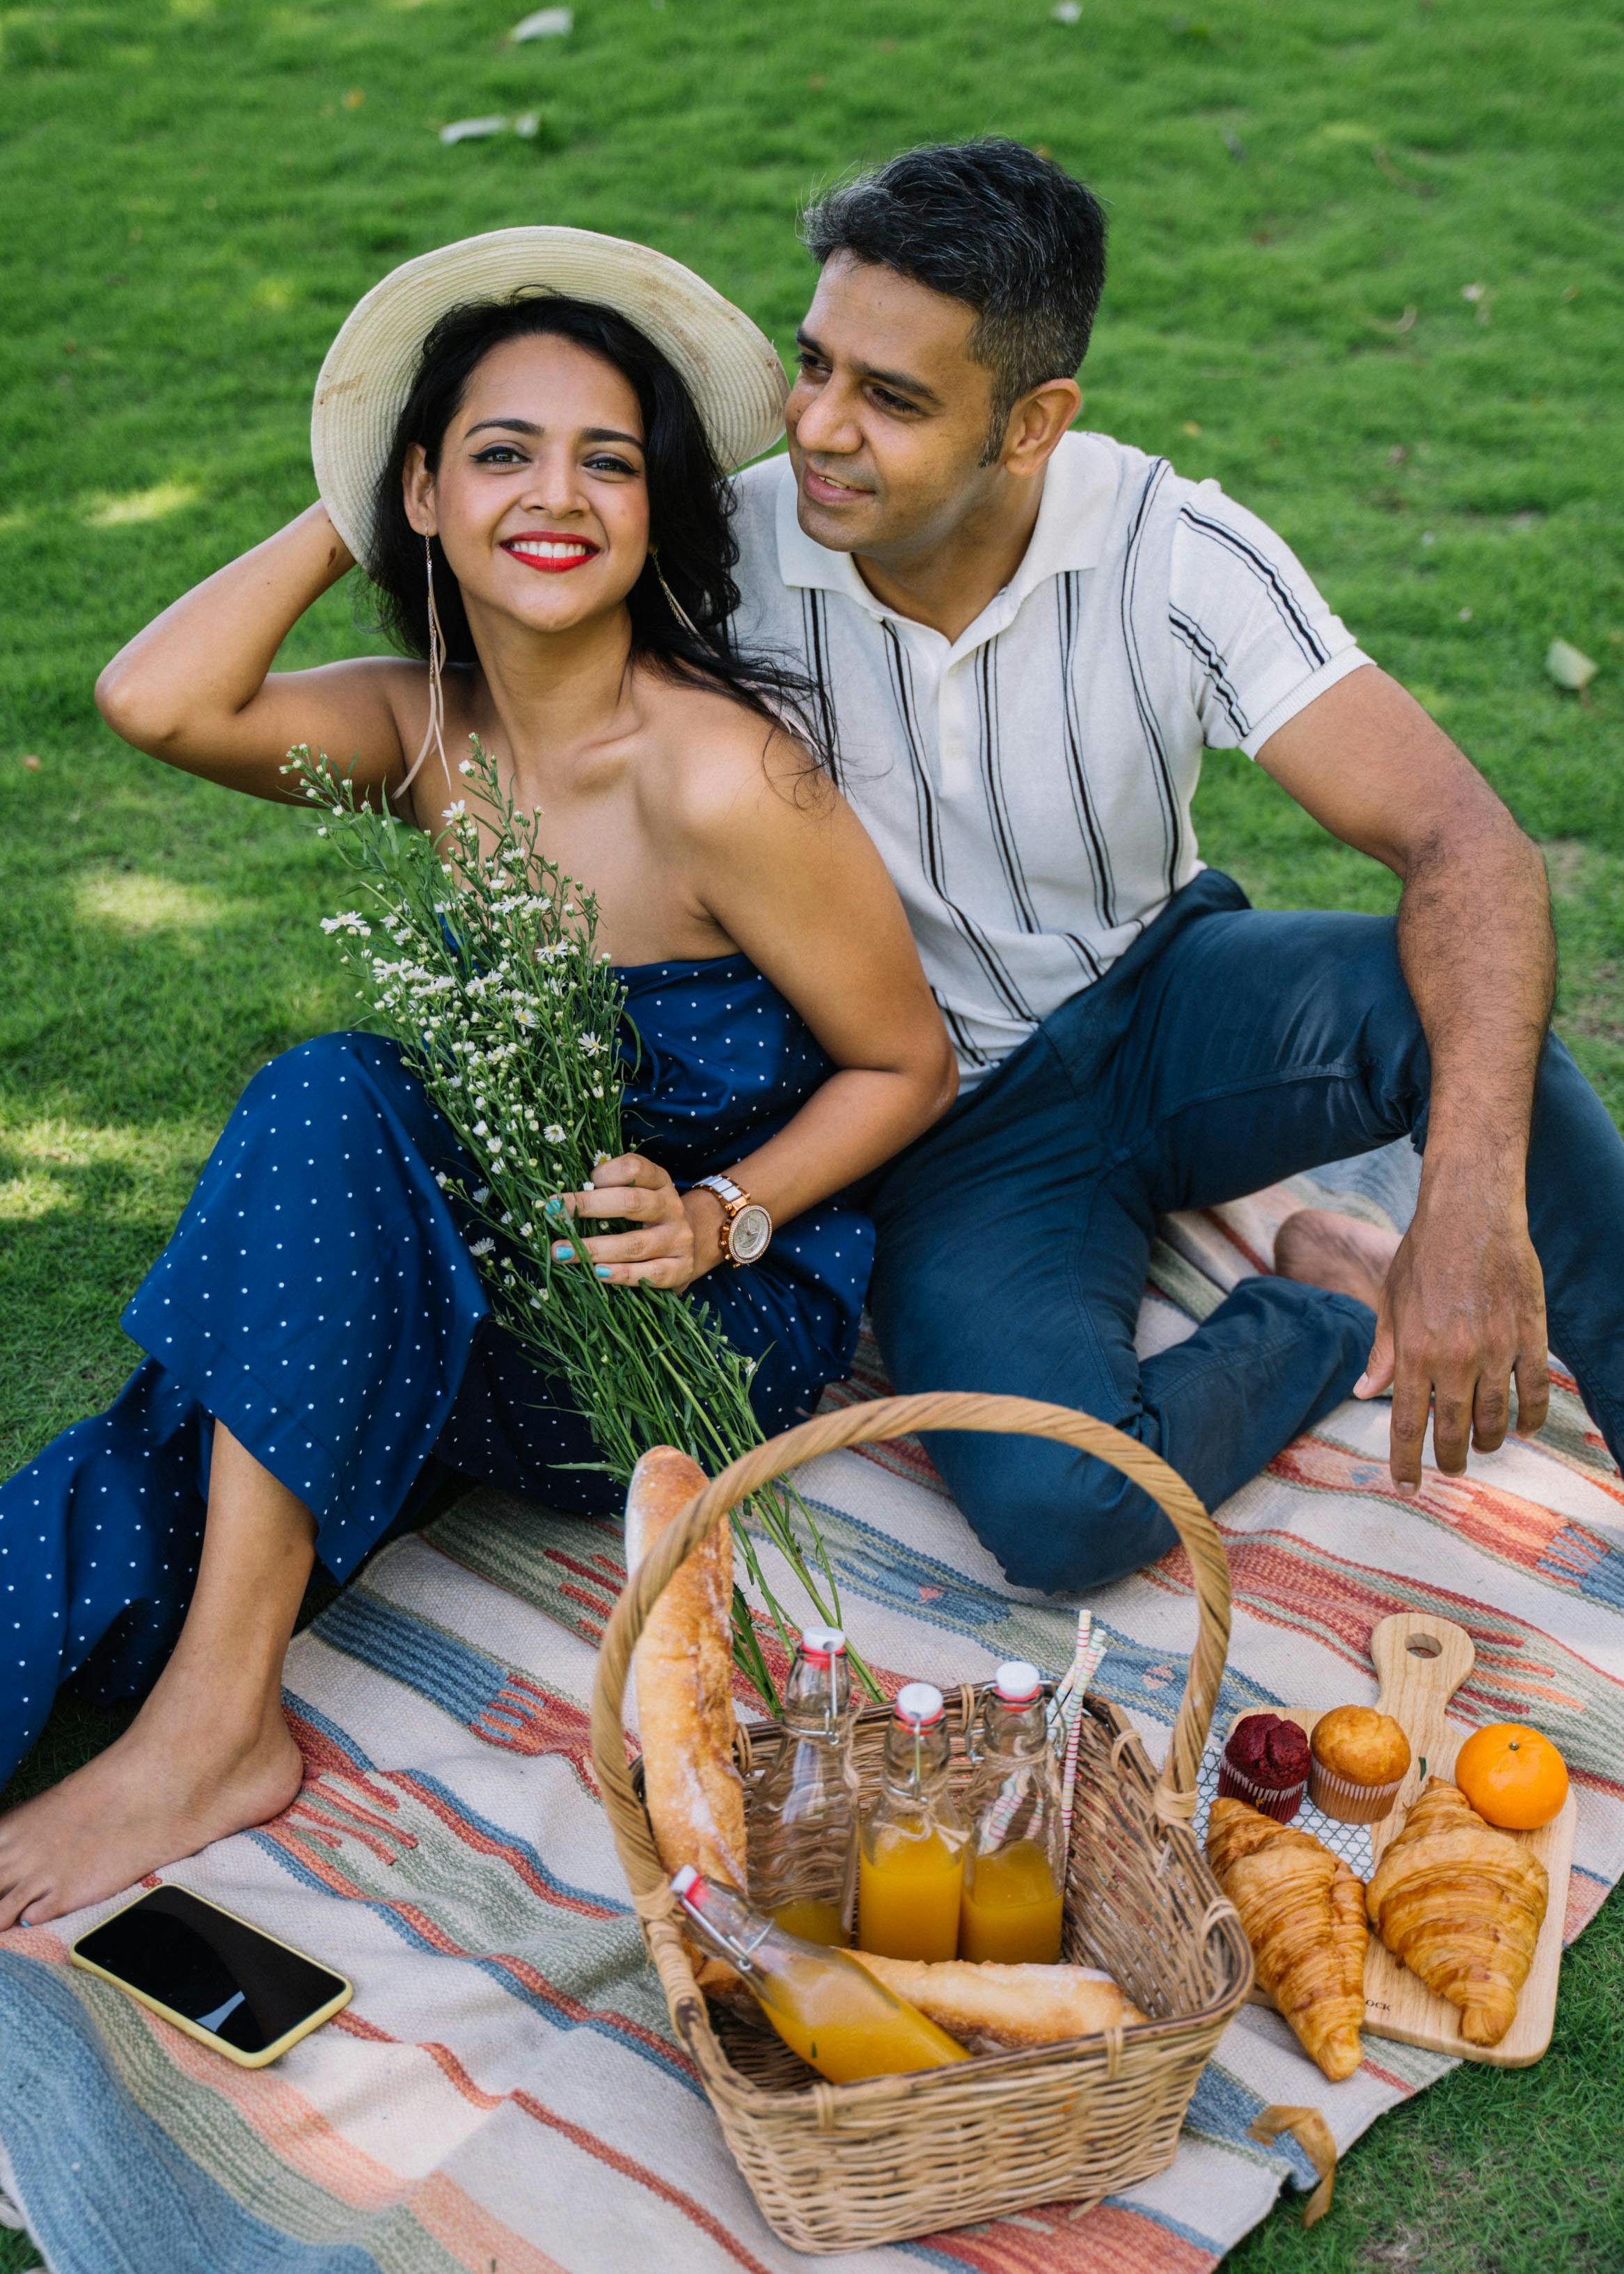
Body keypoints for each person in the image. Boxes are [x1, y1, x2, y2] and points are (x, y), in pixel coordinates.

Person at [0, 232, 956, 1928]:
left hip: (684, 1338)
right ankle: (169, 1691)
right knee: (186, 1425)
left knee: (327, 1115)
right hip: (493, 1253)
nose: (557, 494)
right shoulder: (424, 725)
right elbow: (152, 699)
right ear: (422, 494)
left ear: (658, 507)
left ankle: (213, 1728)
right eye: (500, 453)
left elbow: (908, 1062)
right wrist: (357, 488)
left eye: (608, 459)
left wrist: (728, 1214)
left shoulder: (724, 777)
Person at [725, 139, 1624, 1593]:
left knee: (1480, 1041)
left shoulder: (1176, 545)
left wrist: (1465, 1202)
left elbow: (1473, 844)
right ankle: (1333, 1309)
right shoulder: (727, 559)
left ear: (1032, 426)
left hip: (1167, 997)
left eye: (890, 398)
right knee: (1062, 1510)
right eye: (813, 363)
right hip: (949, 1114)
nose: (820, 426)